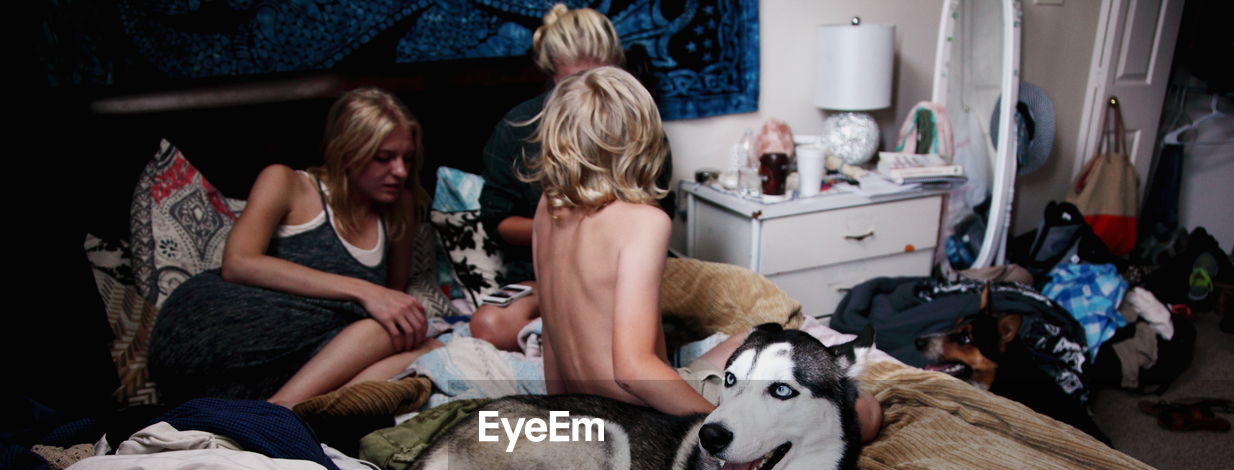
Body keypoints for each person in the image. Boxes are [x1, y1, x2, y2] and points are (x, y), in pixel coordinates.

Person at [528, 66, 884, 440]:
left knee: (757, 337)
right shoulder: (643, 222)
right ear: (640, 138)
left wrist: (561, 420)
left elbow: (552, 343)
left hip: (583, 409)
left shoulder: (546, 208)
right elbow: (632, 370)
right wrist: (722, 422)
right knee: (865, 410)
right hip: (640, 418)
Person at [149, 87, 441, 408]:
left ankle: (304, 412)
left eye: (407, 158)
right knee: (390, 333)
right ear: (348, 152)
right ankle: (280, 412)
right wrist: (364, 290)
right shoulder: (288, 183)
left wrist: (381, 302)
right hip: (212, 331)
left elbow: (392, 304)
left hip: (294, 358)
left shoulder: (399, 208)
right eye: (384, 158)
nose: (400, 171)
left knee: (426, 349)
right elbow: (238, 263)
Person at [472, 3, 673, 352]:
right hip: (544, 279)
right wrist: (572, 229)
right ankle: (554, 331)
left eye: (601, 78)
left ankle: (566, 334)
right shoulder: (518, 126)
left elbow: (655, 208)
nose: (589, 91)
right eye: (574, 81)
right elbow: (497, 221)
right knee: (489, 325)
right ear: (552, 74)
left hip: (615, 275)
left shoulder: (641, 128)